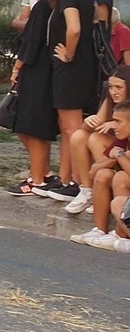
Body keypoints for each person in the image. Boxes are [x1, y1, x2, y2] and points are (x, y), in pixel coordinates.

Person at [34, 0, 97, 202]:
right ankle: (66, 178)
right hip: (82, 67)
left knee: (72, 127)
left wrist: (69, 54)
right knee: (67, 125)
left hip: (70, 68)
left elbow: (74, 28)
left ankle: (80, 183)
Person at [6, 0, 59, 196]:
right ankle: (42, 172)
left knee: (33, 126)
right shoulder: (48, 6)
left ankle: (37, 180)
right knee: (25, 127)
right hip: (42, 71)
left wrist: (17, 67)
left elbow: (31, 43)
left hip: (37, 72)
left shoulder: (43, 7)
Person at [60, 65, 130, 212]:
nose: (114, 92)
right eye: (110, 87)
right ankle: (88, 190)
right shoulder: (110, 100)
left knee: (96, 139)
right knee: (79, 136)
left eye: (119, 87)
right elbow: (94, 127)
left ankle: (105, 185)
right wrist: (87, 123)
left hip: (125, 152)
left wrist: (117, 124)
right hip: (116, 150)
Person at [70, 100, 130, 249]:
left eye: (118, 121)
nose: (113, 126)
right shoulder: (122, 141)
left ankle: (120, 235)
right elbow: (93, 171)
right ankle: (99, 231)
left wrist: (120, 156)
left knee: (121, 178)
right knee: (103, 174)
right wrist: (117, 157)